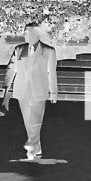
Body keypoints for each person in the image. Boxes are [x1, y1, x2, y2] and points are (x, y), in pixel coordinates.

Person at [8, 22, 58, 160]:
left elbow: (52, 73)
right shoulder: (19, 49)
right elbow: (11, 68)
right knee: (27, 121)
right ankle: (36, 145)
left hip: (39, 89)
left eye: (27, 32)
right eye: (24, 32)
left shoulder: (48, 51)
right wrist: (6, 87)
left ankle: (32, 149)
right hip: (22, 90)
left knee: (35, 120)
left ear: (36, 34)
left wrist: (54, 92)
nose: (25, 34)